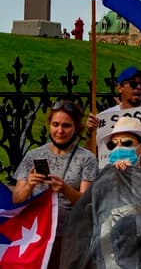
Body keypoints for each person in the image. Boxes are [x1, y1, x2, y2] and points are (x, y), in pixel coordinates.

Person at [13, 100, 98, 268]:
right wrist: (29, 185)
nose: (60, 131)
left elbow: (86, 203)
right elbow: (17, 199)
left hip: (71, 235)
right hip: (38, 236)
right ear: (49, 125)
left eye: (66, 126)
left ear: (76, 128)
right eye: (55, 124)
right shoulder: (34, 155)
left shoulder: (87, 158)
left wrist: (65, 189)